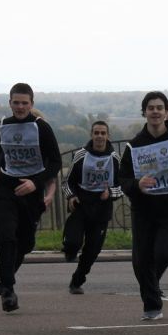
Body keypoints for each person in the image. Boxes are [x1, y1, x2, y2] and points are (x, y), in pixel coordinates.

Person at [0, 82, 61, 313]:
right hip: (7, 187)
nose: (20, 107)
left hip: (32, 189)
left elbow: (56, 162)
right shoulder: (1, 126)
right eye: (16, 102)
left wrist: (36, 182)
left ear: (32, 104)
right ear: (10, 103)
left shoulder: (41, 128)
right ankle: (8, 290)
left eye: (25, 103)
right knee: (6, 235)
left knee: (25, 243)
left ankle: (3, 280)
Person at [116, 91, 168, 320]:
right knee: (141, 259)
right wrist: (137, 184)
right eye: (151, 108)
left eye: (159, 107)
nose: (155, 111)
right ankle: (152, 305)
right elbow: (122, 178)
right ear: (144, 112)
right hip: (143, 210)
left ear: (166, 112)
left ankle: (151, 283)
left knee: (167, 252)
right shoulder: (134, 145)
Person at [62, 120, 119, 294]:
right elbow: (67, 182)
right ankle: (69, 250)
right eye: (96, 133)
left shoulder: (114, 158)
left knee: (92, 251)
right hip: (81, 206)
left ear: (108, 136)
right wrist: (71, 196)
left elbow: (122, 186)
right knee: (73, 242)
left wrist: (110, 192)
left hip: (101, 211)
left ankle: (77, 281)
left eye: (103, 133)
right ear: (91, 135)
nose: (100, 136)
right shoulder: (81, 155)